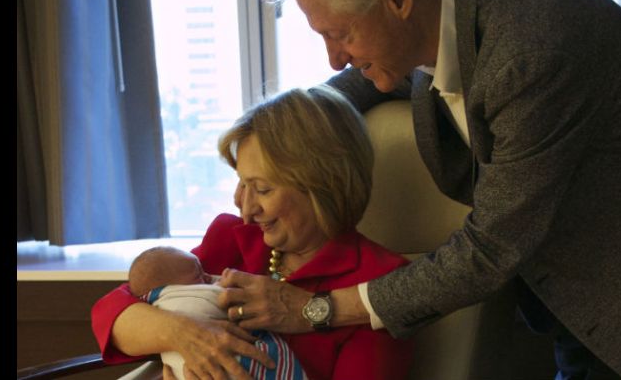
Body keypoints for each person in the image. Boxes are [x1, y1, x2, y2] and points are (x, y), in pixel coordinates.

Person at [216, 0, 621, 379]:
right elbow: (364, 78)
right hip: (569, 301)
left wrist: (312, 310)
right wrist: (286, 130)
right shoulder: (448, 8)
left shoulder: (531, 47)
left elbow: (490, 248)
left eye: (340, 34)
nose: (334, 57)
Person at [91, 85, 414, 380]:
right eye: (241, 182)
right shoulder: (231, 238)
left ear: (324, 187)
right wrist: (182, 334)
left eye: (261, 189)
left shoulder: (380, 285)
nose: (244, 207)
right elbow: (111, 312)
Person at [127, 246, 308, 380]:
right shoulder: (179, 294)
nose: (209, 277)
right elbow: (110, 308)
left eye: (265, 192)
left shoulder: (181, 274)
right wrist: (176, 329)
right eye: (199, 275)